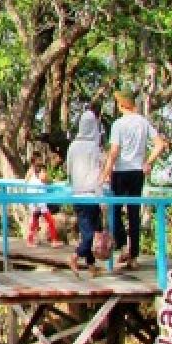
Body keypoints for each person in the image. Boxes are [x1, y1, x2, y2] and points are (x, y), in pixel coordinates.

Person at [98, 90, 168, 270]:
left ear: (121, 105)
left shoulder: (118, 124)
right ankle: (133, 256)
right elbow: (160, 144)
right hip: (137, 171)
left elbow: (114, 152)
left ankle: (123, 246)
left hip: (121, 171)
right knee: (133, 213)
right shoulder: (143, 122)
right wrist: (148, 162)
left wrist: (105, 173)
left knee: (115, 210)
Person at [66, 110, 103, 275]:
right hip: (90, 194)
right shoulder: (94, 147)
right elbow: (98, 172)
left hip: (77, 194)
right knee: (91, 233)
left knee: (87, 231)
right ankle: (75, 256)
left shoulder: (73, 146)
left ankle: (91, 266)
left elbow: (68, 168)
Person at [25, 157, 62, 246]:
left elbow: (26, 181)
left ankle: (30, 240)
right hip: (39, 201)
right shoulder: (39, 173)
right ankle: (54, 240)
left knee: (35, 221)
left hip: (34, 201)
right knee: (50, 221)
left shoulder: (30, 173)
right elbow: (49, 181)